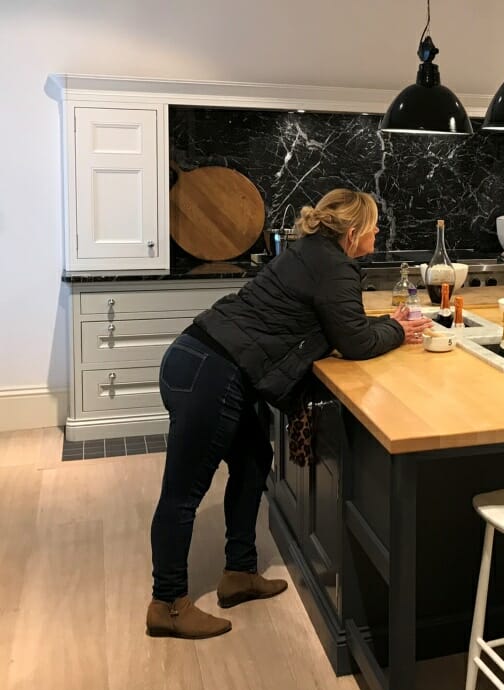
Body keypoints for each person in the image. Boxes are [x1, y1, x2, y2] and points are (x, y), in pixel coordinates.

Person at [147, 189, 433, 639]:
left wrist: (390, 326)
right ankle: (168, 605)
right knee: (183, 493)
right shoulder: (336, 266)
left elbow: (346, 329)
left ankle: (238, 574)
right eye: (375, 225)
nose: (380, 232)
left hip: (200, 360)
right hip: (213, 373)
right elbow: (356, 344)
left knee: (255, 459)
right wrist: (397, 329)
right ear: (354, 233)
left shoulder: (311, 252)